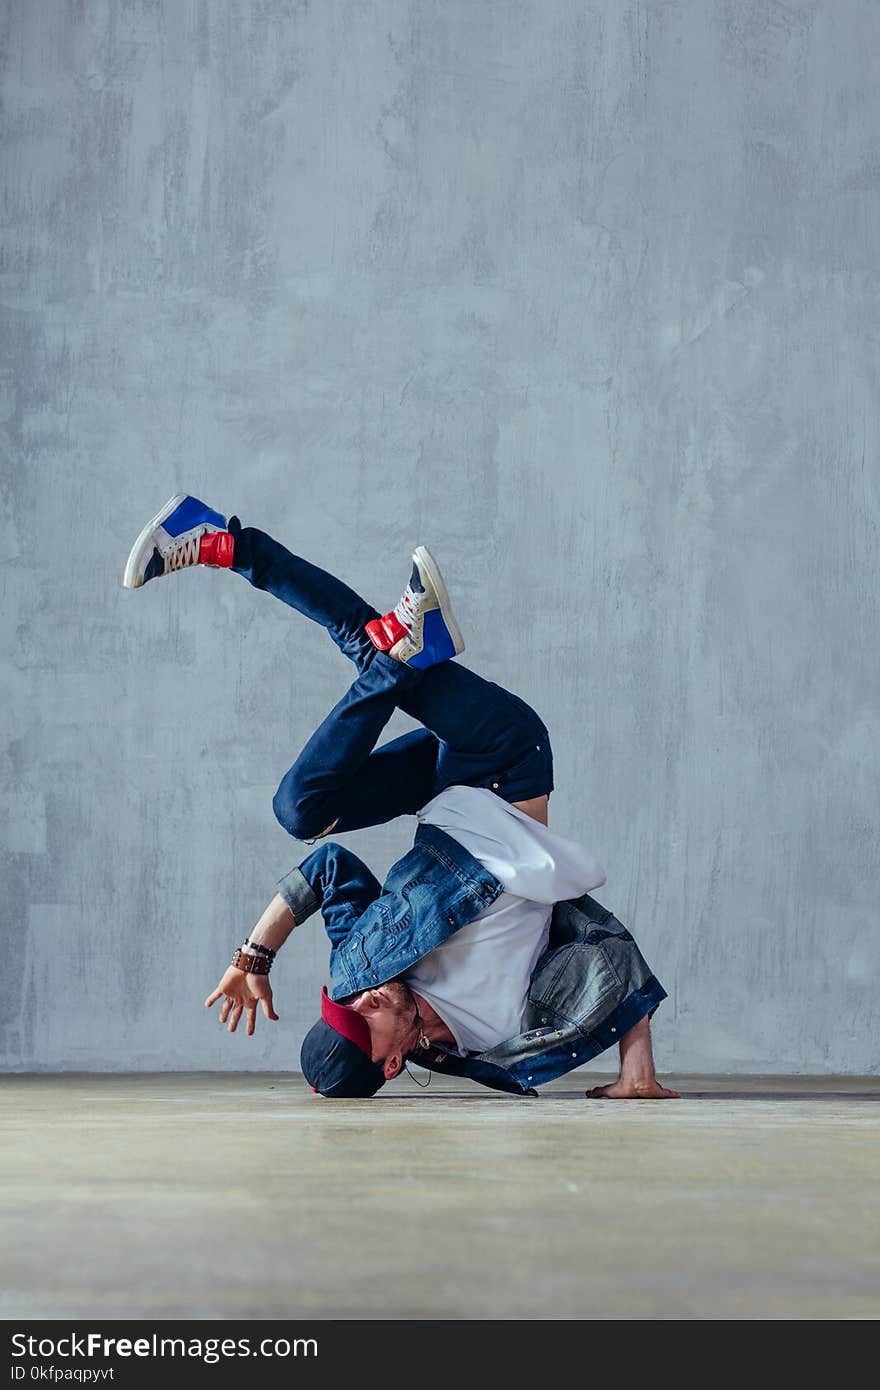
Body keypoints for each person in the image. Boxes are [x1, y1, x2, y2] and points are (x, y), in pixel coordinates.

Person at [123, 494, 678, 1101]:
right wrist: (637, 1073)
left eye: (344, 1006)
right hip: (507, 764)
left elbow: (328, 868)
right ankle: (226, 548)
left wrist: (255, 954)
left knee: (300, 809)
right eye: (362, 1022)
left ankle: (257, 565)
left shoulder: (361, 973)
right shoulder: (501, 1042)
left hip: (439, 791)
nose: (362, 1000)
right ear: (391, 1064)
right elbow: (611, 962)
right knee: (377, 649)